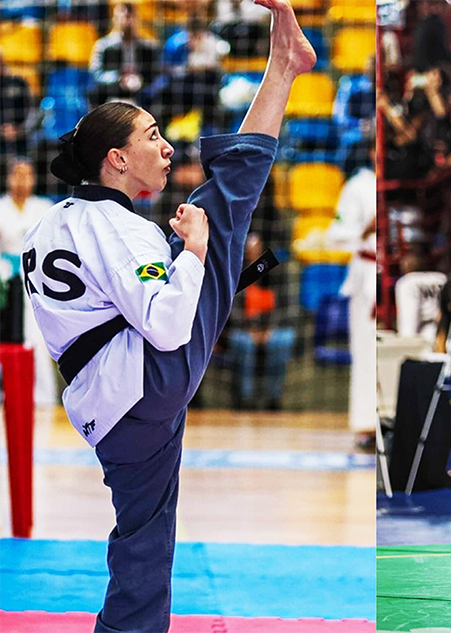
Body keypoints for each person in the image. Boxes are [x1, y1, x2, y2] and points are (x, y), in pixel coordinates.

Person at [21, 2, 316, 630]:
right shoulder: (122, 229)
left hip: (105, 402)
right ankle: (283, 69)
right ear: (116, 159)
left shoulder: (50, 223)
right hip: (145, 382)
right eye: (152, 136)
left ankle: (128, 627)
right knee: (222, 210)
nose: (165, 146)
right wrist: (196, 252)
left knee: (144, 529)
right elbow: (168, 325)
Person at [327, 157, 378, 450]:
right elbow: (335, 234)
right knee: (366, 351)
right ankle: (366, 424)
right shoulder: (358, 186)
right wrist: (365, 230)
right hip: (367, 274)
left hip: (395, 271)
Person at [0, 158, 56, 407]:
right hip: (4, 275)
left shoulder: (44, 208)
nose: (22, 180)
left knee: (36, 337)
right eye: (17, 174)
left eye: (27, 175)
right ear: (9, 178)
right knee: (7, 337)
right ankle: (7, 393)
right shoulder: (1, 207)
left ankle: (43, 397)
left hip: (35, 275)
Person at [224, 233, 295, 410]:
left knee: (282, 341)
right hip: (245, 330)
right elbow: (232, 310)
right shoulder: (237, 272)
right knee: (243, 343)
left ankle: (274, 398)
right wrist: (250, 329)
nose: (252, 254)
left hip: (273, 329)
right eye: (249, 251)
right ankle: (245, 398)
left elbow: (286, 308)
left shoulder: (277, 274)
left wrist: (269, 330)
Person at [88, 0, 161, 107]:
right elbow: (96, 74)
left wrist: (140, 80)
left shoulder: (148, 47)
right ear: (114, 19)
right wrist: (119, 78)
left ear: (137, 19)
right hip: (112, 93)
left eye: (129, 16)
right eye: (122, 17)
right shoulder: (103, 46)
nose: (126, 21)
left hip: (141, 95)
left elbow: (155, 74)